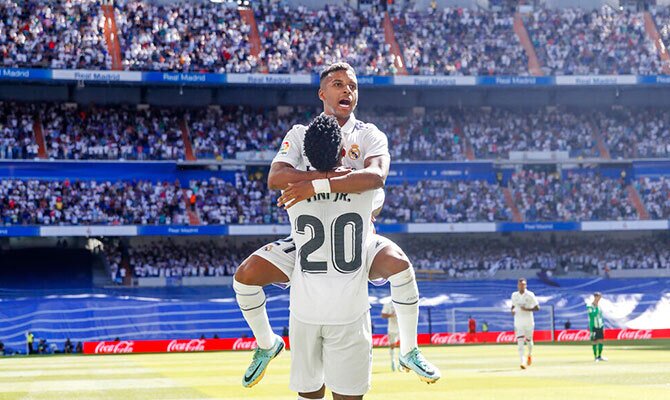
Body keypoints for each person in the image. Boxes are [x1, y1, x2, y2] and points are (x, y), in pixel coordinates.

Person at [233, 62, 440, 388]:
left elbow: (376, 177)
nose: (347, 90)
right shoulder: (300, 135)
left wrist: (315, 185)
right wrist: (333, 179)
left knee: (400, 265)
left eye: (352, 86)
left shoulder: (369, 134)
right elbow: (276, 177)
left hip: (358, 234)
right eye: (338, 84)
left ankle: (409, 349)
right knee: (246, 276)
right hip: (308, 237)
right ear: (322, 93)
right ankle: (266, 343)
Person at [284, 114, 378, 399]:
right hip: (349, 309)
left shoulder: (292, 195)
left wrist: (312, 180)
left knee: (309, 393)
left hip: (305, 309)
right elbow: (375, 184)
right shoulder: (366, 192)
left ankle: (264, 341)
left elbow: (281, 176)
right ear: (342, 152)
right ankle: (410, 350)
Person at [510, 278, 539, 369]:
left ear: (525, 285)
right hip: (518, 322)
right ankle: (522, 361)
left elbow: (537, 308)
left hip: (529, 321)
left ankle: (529, 354)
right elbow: (513, 306)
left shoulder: (530, 295)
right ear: (518, 285)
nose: (522, 286)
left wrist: (527, 309)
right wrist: (512, 311)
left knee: (529, 340)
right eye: (520, 284)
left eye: (523, 284)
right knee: (520, 342)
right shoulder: (514, 295)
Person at [381, 299, 399, 371]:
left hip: (402, 327)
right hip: (392, 328)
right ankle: (393, 361)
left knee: (404, 345)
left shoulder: (403, 302)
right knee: (392, 345)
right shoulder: (388, 304)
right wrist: (392, 315)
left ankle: (401, 364)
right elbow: (383, 315)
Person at [588, 292, 607, 362]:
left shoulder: (599, 306)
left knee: (601, 340)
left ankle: (599, 356)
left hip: (600, 326)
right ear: (595, 297)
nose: (599, 298)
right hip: (594, 326)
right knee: (594, 341)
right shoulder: (590, 305)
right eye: (598, 297)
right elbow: (592, 315)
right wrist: (595, 307)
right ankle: (595, 357)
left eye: (600, 297)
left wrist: (602, 325)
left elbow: (600, 316)